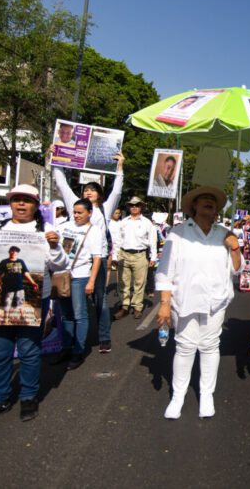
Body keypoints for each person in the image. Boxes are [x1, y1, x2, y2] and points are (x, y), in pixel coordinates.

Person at [0, 184, 67, 425]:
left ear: (35, 205)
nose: (21, 204)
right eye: (17, 200)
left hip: (32, 302)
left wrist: (54, 246)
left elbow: (60, 264)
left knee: (29, 350)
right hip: (0, 302)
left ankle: (28, 397)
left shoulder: (46, 230)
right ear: (10, 203)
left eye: (27, 200)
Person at [156, 186, 242, 419]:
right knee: (184, 347)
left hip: (215, 301)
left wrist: (234, 246)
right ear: (193, 205)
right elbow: (164, 271)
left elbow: (237, 268)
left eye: (212, 201)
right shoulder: (178, 233)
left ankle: (206, 395)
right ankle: (178, 396)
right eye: (203, 199)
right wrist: (164, 303)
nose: (208, 202)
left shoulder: (224, 233)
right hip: (184, 300)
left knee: (210, 346)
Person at [51, 145, 124, 356]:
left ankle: (103, 336)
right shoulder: (74, 204)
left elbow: (117, 191)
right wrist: (55, 157)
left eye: (92, 190)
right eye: (85, 189)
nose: (88, 192)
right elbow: (62, 183)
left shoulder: (104, 209)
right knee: (72, 304)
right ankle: (71, 342)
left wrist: (119, 167)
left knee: (100, 300)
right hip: (74, 263)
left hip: (97, 261)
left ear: (100, 196)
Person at [54, 199, 103, 368]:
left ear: (89, 213)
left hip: (80, 276)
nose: (76, 216)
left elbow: (97, 258)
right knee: (66, 315)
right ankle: (66, 347)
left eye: (80, 212)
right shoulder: (64, 226)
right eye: (74, 212)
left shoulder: (94, 231)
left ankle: (78, 351)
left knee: (79, 315)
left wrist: (91, 281)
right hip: (62, 276)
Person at [112, 197, 157, 324]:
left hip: (140, 255)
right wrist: (115, 256)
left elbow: (152, 241)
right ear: (129, 207)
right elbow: (117, 240)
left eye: (137, 205)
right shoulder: (123, 222)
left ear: (141, 207)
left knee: (139, 283)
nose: (134, 207)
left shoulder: (147, 223)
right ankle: (124, 306)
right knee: (123, 282)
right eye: (132, 205)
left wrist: (153, 257)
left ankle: (137, 307)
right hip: (124, 254)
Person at [0, 246, 39, 324]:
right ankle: (5, 319)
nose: (14, 252)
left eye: (16, 251)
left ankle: (22, 317)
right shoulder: (4, 262)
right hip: (8, 287)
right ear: (9, 251)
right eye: (12, 251)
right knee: (7, 303)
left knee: (20, 303)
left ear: (17, 253)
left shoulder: (21, 261)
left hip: (19, 287)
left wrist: (33, 283)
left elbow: (26, 273)